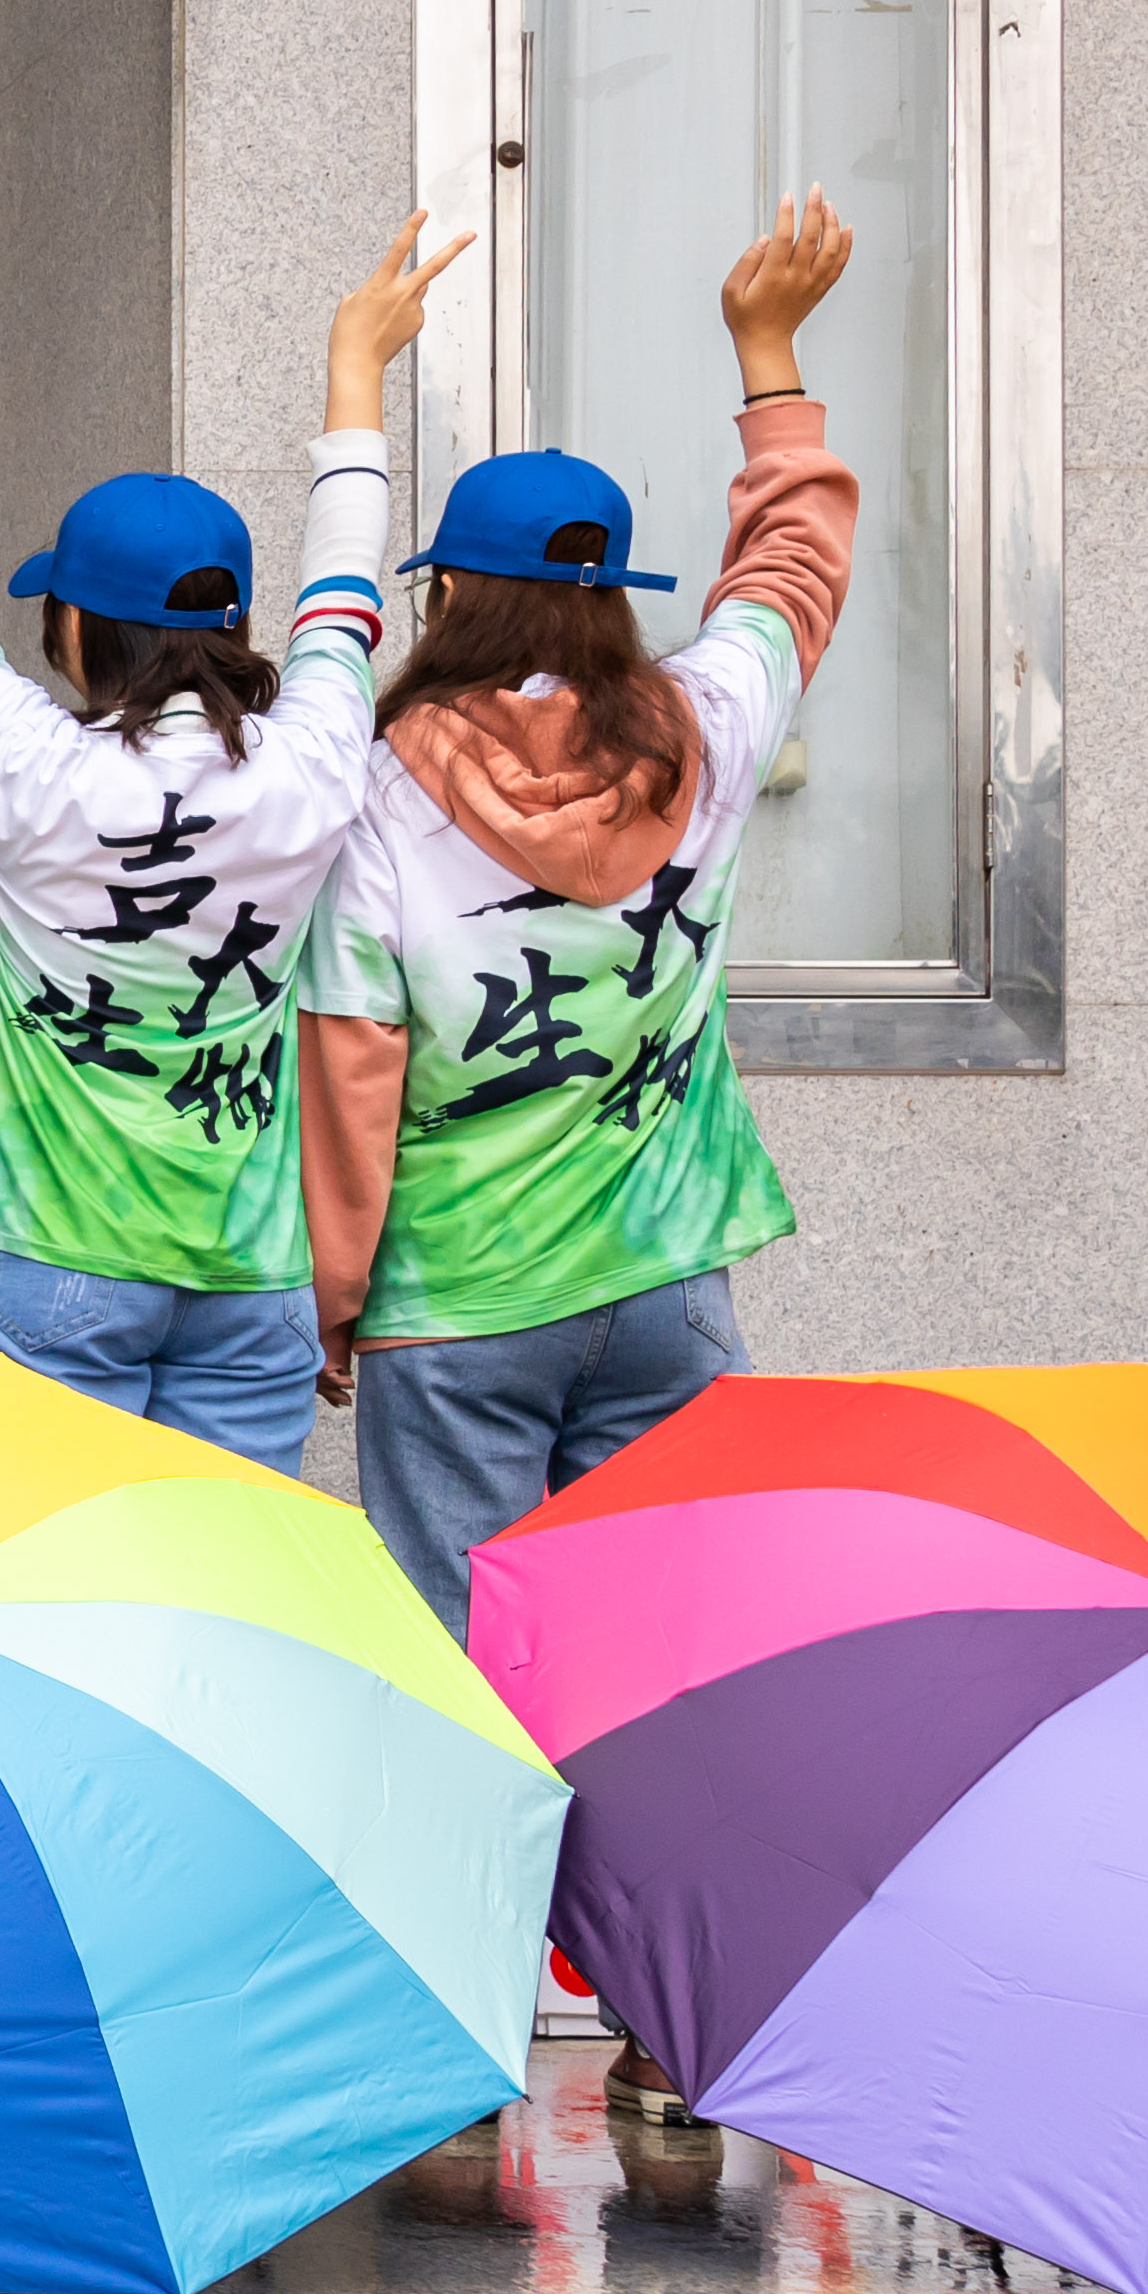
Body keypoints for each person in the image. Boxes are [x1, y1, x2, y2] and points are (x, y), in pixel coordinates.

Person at [298, 196, 856, 1641]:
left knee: (467, 1667)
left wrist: (333, 1301)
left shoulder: (375, 788)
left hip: (458, 1299)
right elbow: (790, 571)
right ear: (612, 596)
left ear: (448, 595)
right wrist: (768, 353)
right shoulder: (702, 729)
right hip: (666, 1275)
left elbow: (352, 1066)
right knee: (663, 1653)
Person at [0, 223, 461, 1470]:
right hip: (250, 1276)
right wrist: (355, 370)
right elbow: (343, 586)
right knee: (225, 1581)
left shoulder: (25, 762)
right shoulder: (310, 760)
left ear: (81, 625)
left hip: (52, 1257)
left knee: (50, 1577)